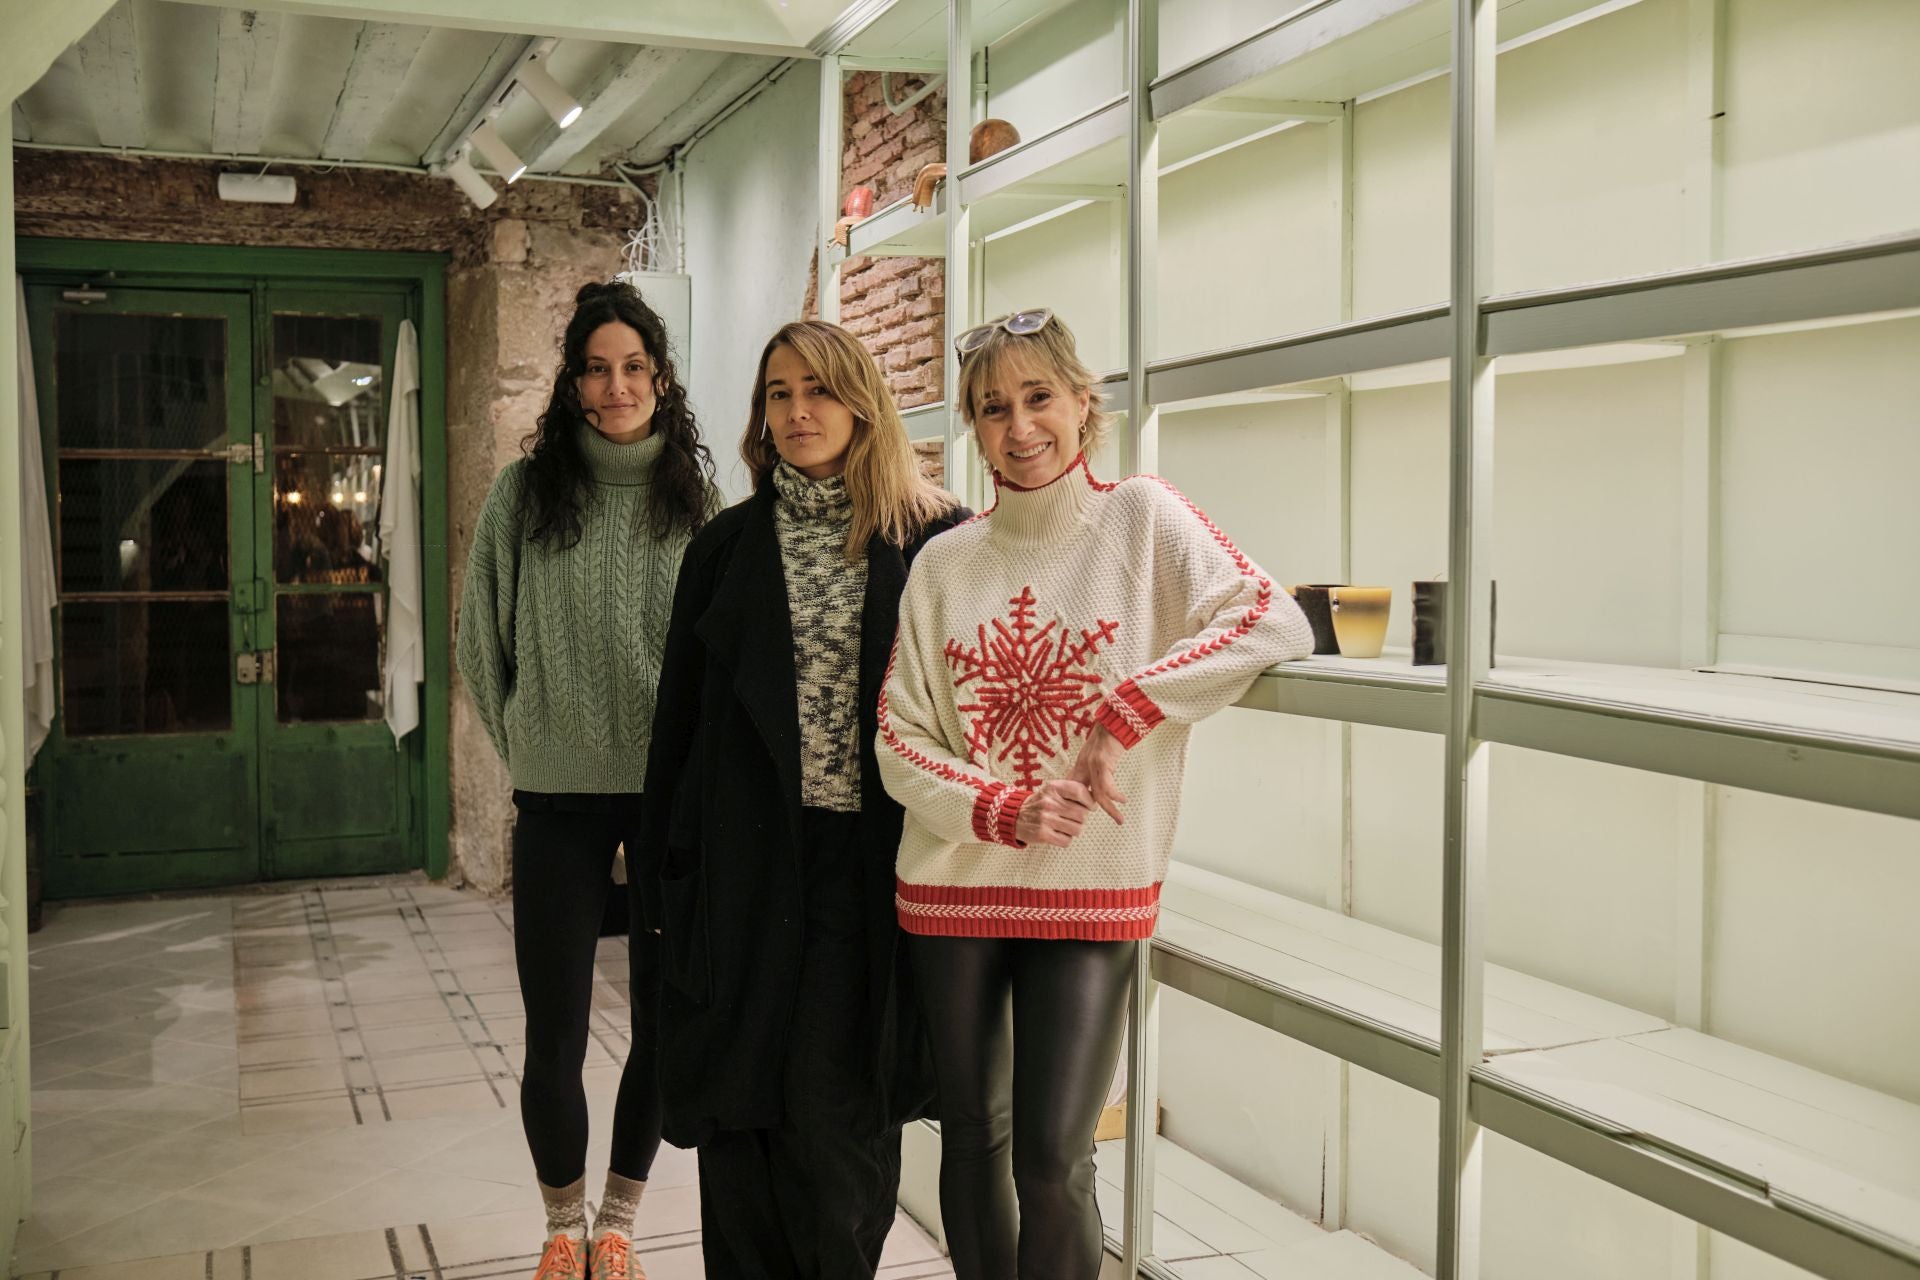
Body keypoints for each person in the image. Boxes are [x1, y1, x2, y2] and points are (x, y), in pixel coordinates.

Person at [876, 309, 1314, 1278]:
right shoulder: (942, 562)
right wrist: (1001, 807)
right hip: (951, 887)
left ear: (1085, 403)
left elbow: (1270, 618)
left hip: (1092, 883)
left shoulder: (1142, 519)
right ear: (972, 425)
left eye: (1039, 398)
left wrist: (1126, 708)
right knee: (973, 1134)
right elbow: (898, 738)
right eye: (994, 408)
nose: (1019, 426)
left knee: (1052, 1156)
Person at [637, 320, 969, 1278]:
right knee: (740, 1123)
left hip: (865, 875)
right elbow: (679, 736)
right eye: (778, 394)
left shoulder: (933, 539)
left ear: (862, 402)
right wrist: (661, 886)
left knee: (833, 1133)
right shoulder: (724, 549)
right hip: (739, 875)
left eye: (818, 389)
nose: (798, 412)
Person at [457, 280, 718, 1280]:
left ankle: (619, 1222)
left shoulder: (699, 500)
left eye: (634, 367)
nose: (617, 386)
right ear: (573, 384)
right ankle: (562, 1226)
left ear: (659, 378)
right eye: (598, 368)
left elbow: (720, 650)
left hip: (665, 801)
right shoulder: (524, 497)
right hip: (557, 797)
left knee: (659, 1014)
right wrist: (530, 739)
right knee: (555, 1025)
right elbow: (482, 637)